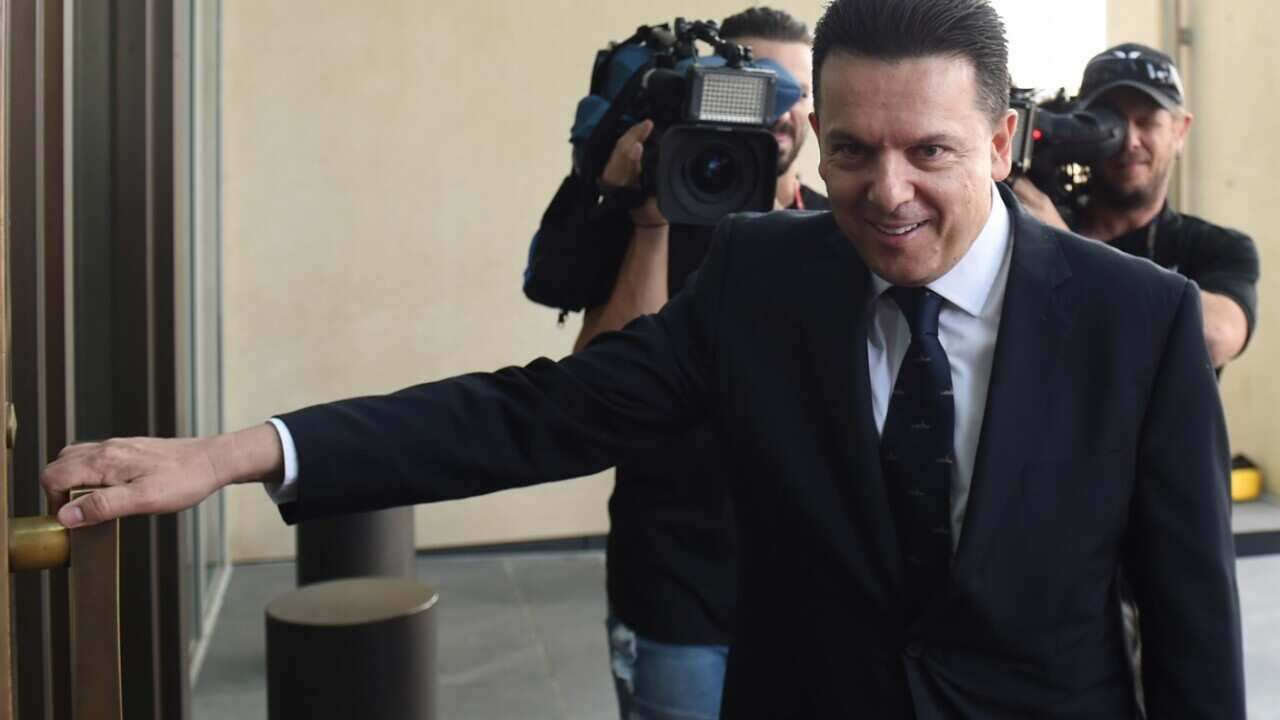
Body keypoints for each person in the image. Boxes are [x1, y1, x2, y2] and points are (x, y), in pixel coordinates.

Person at [41, 1, 1245, 717]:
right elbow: (534, 416)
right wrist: (238, 452)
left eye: (929, 152)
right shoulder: (764, 282)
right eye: (854, 152)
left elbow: (1189, 626)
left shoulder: (1135, 324)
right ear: (813, 133)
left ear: (1000, 137)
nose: (886, 195)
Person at [526, 9, 828, 719]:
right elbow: (600, 400)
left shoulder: (835, 229)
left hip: (808, 597)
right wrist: (652, 220)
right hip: (675, 591)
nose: (780, 107)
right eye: (759, 81)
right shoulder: (654, 219)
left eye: (798, 89)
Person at [1011, 43, 1259, 369]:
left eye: (1147, 122)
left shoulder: (1215, 248)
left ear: (1180, 130)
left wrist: (1062, 245)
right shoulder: (1028, 224)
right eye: (1110, 123)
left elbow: (1216, 336)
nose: (1130, 141)